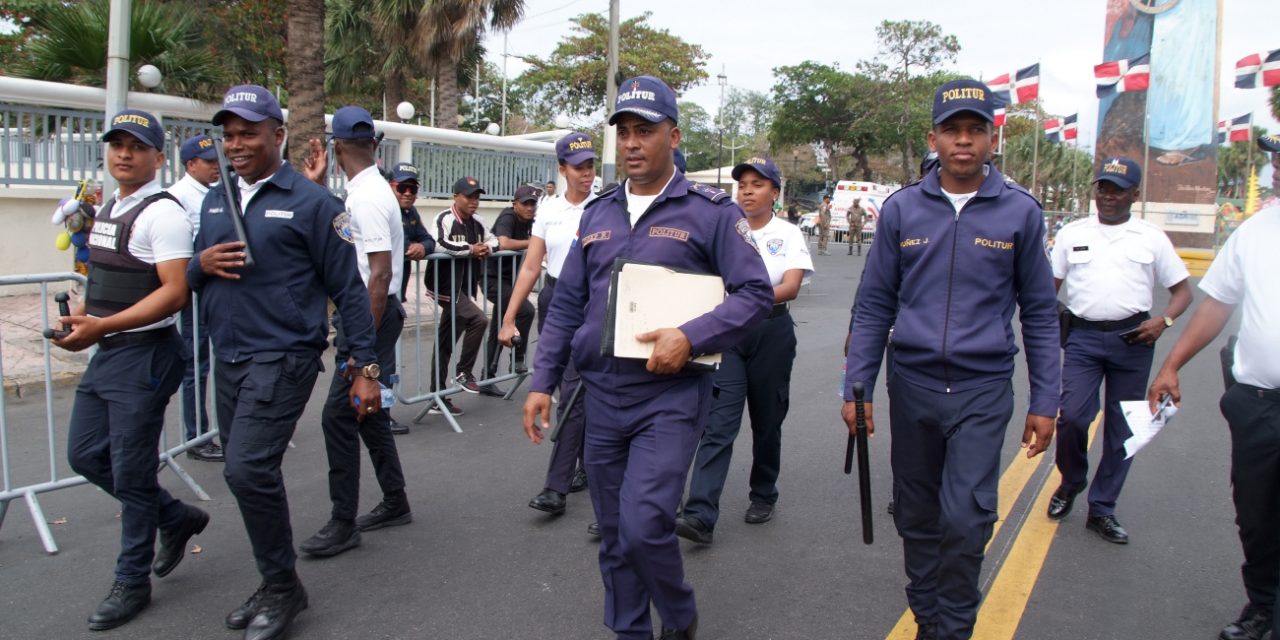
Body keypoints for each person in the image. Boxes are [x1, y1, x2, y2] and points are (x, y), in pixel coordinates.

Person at [522, 75, 773, 640]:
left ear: (673, 135)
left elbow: (755, 295)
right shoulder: (599, 212)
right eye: (625, 133)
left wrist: (691, 335)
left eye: (645, 131)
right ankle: (630, 630)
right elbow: (566, 305)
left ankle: (679, 619)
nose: (632, 143)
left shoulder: (709, 212)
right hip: (601, 396)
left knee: (643, 527)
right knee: (613, 534)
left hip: (670, 395)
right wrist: (542, 380)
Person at [842, 79, 1060, 640]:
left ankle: (954, 627)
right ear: (933, 138)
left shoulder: (1020, 214)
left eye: (975, 130)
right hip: (910, 383)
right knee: (916, 515)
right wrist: (856, 387)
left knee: (966, 517)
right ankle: (927, 615)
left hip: (982, 387)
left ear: (992, 138)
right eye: (952, 130)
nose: (964, 141)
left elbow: (1038, 313)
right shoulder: (901, 211)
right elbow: (872, 307)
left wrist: (1046, 400)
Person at [188, 85, 382, 640]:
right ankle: (277, 578)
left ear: (278, 135)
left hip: (284, 357)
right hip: (229, 357)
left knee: (245, 467)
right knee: (252, 473)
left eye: (247, 132)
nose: (235, 144)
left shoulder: (316, 204)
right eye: (228, 135)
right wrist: (200, 264)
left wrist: (365, 371)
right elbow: (197, 275)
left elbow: (349, 291)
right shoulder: (214, 197)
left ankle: (281, 588)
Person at [54, 108, 207, 631]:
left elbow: (174, 291)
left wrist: (103, 326)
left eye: (137, 146)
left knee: (132, 470)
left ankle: (131, 580)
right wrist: (87, 323)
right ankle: (176, 516)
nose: (124, 153)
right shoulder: (110, 208)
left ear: (157, 158)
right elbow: (112, 280)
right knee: (85, 454)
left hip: (143, 356)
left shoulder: (161, 214)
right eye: (117, 143)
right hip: (109, 352)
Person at [1148, 133, 1280, 640]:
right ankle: (1263, 607)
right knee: (1258, 516)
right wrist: (1171, 365)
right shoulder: (1255, 232)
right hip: (1260, 404)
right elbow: (1217, 304)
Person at [1047, 157, 1191, 544]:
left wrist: (1164, 322)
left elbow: (1183, 292)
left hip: (1134, 340)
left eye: (1117, 190)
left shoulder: (1151, 237)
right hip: (1083, 339)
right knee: (1073, 417)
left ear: (1135, 194)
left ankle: (1103, 508)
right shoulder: (1072, 233)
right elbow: (1047, 290)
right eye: (1103, 188)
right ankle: (1072, 481)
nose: (1108, 196)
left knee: (1124, 429)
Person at [676, 156, 813, 544]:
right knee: (718, 423)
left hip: (771, 331)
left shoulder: (788, 234)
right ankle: (701, 512)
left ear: (775, 192)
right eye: (743, 185)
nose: (748, 191)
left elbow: (790, 287)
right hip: (729, 334)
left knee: (767, 421)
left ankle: (763, 493)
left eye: (757, 184)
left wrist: (745, 300)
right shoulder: (725, 229)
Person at [296, 106, 412, 558]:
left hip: (370, 316)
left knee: (337, 417)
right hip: (372, 315)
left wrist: (362, 345)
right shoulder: (366, 191)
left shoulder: (366, 197)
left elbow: (378, 274)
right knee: (369, 413)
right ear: (375, 145)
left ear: (336, 146)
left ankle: (343, 522)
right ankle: (396, 499)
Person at [498, 132, 596, 517]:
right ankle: (587, 465)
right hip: (556, 297)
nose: (586, 174)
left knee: (573, 390)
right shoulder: (549, 209)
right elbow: (530, 266)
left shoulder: (606, 206)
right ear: (562, 169)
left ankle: (556, 487)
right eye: (578, 167)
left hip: (591, 299)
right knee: (566, 387)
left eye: (590, 166)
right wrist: (507, 316)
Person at [167, 133, 223, 461]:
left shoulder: (218, 193)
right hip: (194, 295)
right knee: (197, 365)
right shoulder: (177, 198)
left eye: (219, 161)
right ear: (191, 165)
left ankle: (224, 429)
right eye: (209, 162)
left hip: (219, 292)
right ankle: (197, 436)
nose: (217, 167)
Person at [425, 176, 497, 414]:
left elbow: (494, 239)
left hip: (465, 289)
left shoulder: (477, 222)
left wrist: (487, 248)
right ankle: (464, 371)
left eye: (477, 197)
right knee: (479, 319)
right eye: (468, 196)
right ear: (456, 196)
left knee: (445, 343)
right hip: (445, 286)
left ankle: (437, 396)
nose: (473, 201)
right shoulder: (444, 218)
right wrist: (470, 249)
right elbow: (438, 244)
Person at [388, 162, 435, 434]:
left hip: (394, 292)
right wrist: (409, 246)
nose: (408, 193)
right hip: (375, 294)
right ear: (391, 186)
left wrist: (420, 246)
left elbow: (428, 240)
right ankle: (376, 414)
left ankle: (373, 412)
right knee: (377, 359)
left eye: (413, 188)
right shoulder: (384, 207)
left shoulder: (410, 212)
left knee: (382, 359)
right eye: (402, 187)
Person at [480, 184, 538, 397]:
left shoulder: (532, 221)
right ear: (515, 204)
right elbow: (503, 243)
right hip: (491, 278)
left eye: (533, 204)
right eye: (525, 204)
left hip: (509, 281)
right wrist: (531, 243)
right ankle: (518, 359)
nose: (530, 208)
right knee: (526, 310)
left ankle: (487, 377)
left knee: (500, 325)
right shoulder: (508, 217)